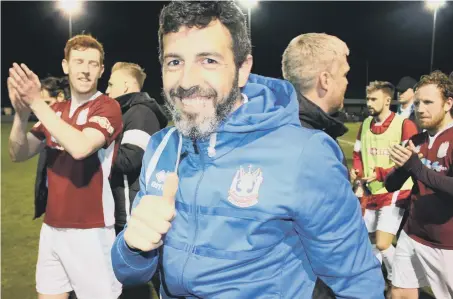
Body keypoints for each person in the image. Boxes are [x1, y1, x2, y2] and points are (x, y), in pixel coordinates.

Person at [111, 1, 384, 298]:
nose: (187, 81)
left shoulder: (304, 153)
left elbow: (357, 280)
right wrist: (132, 246)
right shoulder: (162, 145)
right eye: (175, 62)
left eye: (209, 61)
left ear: (243, 69)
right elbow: (130, 272)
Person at [7, 34, 123, 299]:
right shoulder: (56, 110)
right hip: (52, 228)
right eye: (79, 61)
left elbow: (81, 148)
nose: (85, 69)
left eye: (93, 64)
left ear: (102, 70)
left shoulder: (108, 107)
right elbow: (19, 153)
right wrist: (22, 114)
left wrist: (36, 102)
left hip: (92, 231)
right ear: (65, 65)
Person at [282, 32, 350, 299]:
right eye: (344, 75)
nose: (346, 83)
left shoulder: (271, 125)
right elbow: (332, 236)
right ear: (325, 80)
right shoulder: (312, 144)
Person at [386, 71, 453, 299]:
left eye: (428, 102)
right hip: (412, 233)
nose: (420, 109)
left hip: (447, 243)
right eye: (417, 103)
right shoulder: (416, 141)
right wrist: (401, 166)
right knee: (399, 293)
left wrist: (415, 166)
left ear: (448, 104)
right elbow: (390, 185)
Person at [106, 62, 168, 299]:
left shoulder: (140, 112)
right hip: (124, 212)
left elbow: (130, 159)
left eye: (111, 84)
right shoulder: (128, 111)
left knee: (154, 281)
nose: (108, 90)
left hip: (134, 214)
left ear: (125, 84)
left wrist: (95, 143)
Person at [351, 81, 418, 286]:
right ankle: (377, 278)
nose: (369, 103)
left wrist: (380, 174)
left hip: (396, 191)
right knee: (368, 240)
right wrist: (358, 174)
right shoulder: (364, 125)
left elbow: (408, 161)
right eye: (368, 98)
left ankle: (396, 278)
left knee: (382, 242)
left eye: (374, 99)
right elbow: (357, 153)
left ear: (387, 100)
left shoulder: (404, 125)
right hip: (372, 191)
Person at [34, 76, 70, 220]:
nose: (44, 109)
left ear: (60, 96)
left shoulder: (76, 122)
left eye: (47, 103)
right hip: (53, 200)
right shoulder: (46, 122)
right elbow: (18, 152)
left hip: (72, 202)